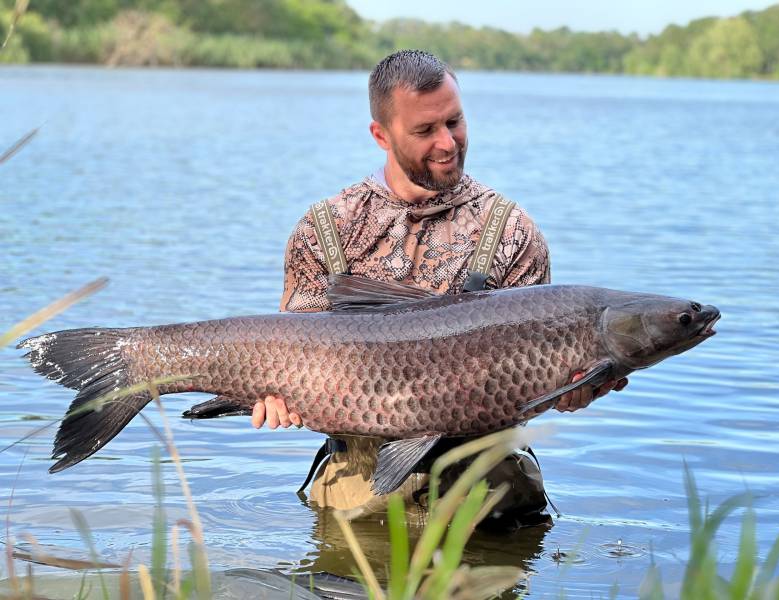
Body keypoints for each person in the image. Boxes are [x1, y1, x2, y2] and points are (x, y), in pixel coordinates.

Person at [251, 50, 627, 526]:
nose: (447, 142)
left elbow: (532, 390)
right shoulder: (326, 229)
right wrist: (279, 399)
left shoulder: (511, 230)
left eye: (455, 121)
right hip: (357, 496)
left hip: (487, 498)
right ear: (381, 135)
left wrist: (569, 393)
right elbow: (293, 356)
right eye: (425, 130)